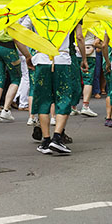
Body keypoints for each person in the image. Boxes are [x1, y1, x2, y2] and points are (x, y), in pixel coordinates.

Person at [26, 17, 82, 157]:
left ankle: (46, 141)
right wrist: (84, 58)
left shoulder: (36, 9)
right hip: (62, 60)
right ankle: (57, 138)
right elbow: (79, 36)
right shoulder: (70, 9)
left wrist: (28, 55)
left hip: (41, 59)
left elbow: (18, 32)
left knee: (43, 100)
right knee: (63, 98)